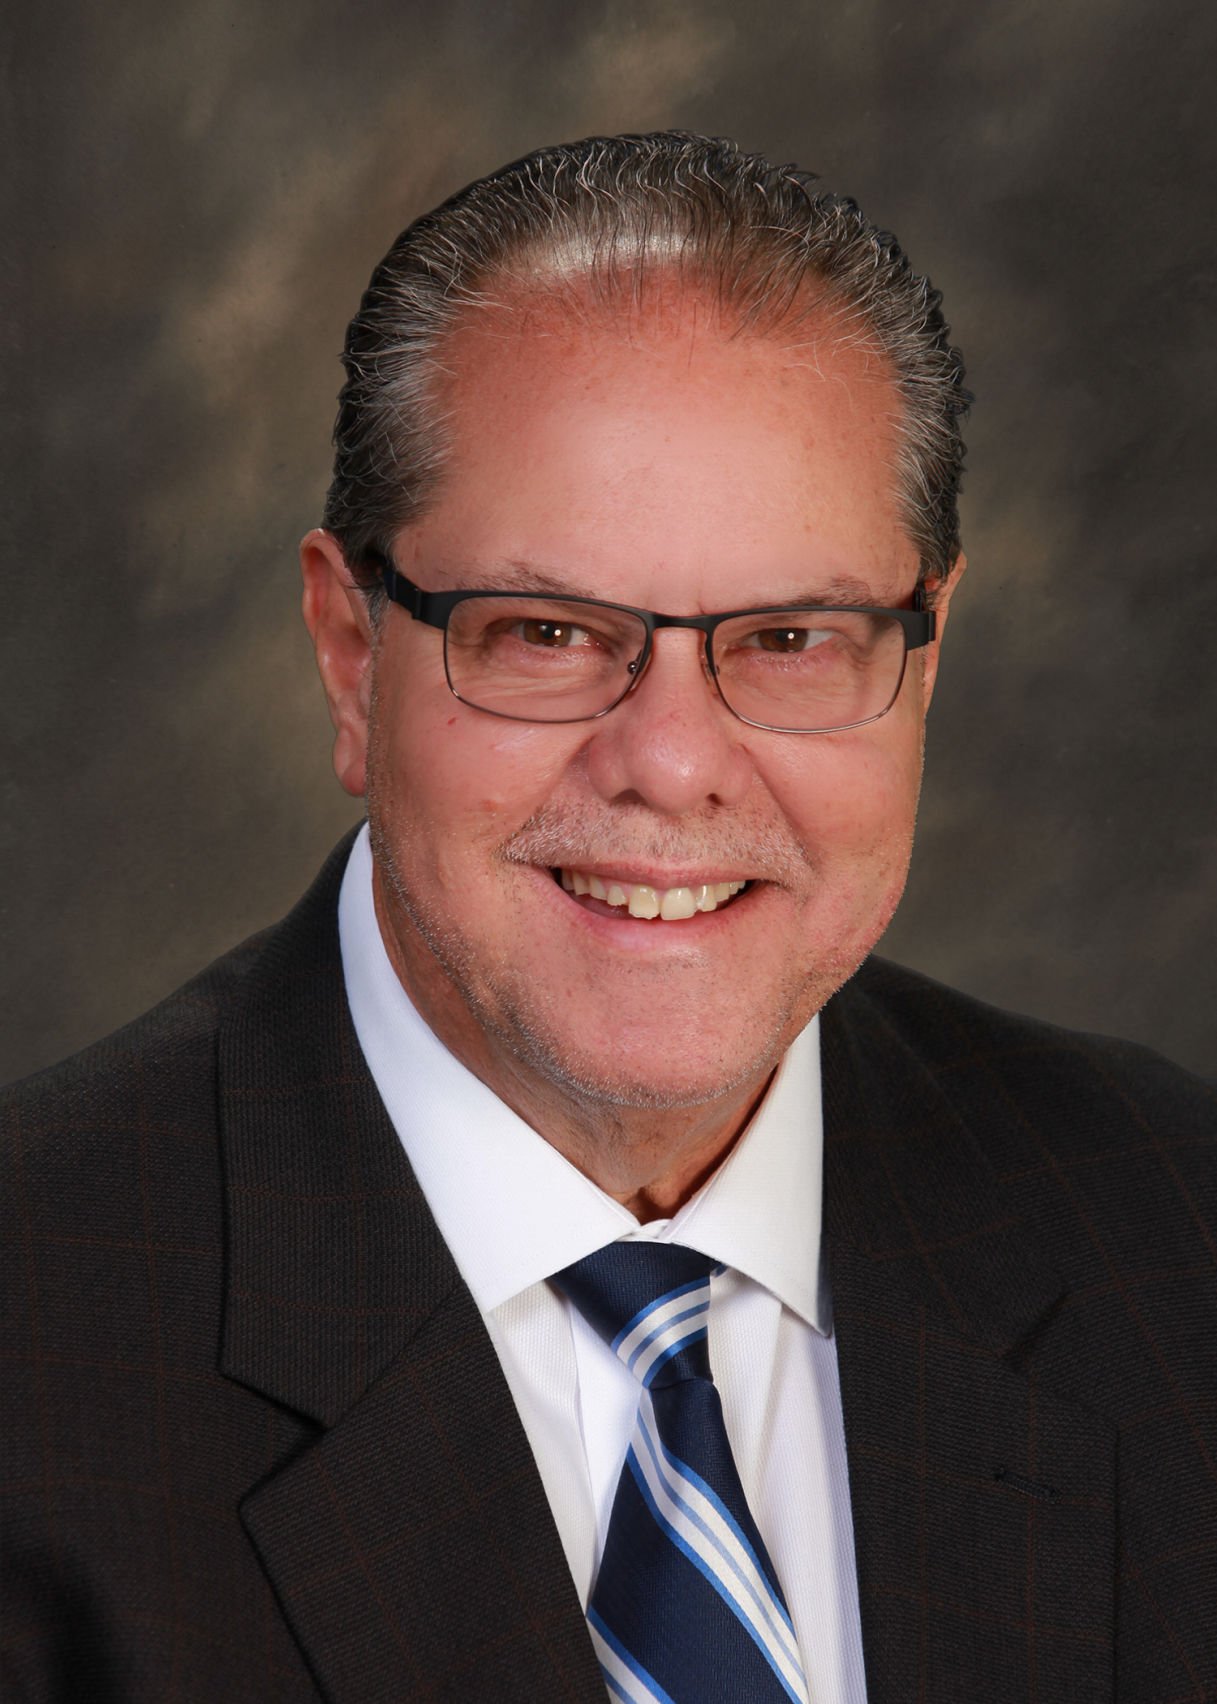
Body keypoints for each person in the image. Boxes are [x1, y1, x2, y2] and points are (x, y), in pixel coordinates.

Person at [2, 132, 1214, 1704]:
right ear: (350, 656)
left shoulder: (1171, 1229)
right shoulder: (39, 1346)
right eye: (547, 632)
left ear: (922, 656)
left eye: (790, 636)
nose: (671, 763)